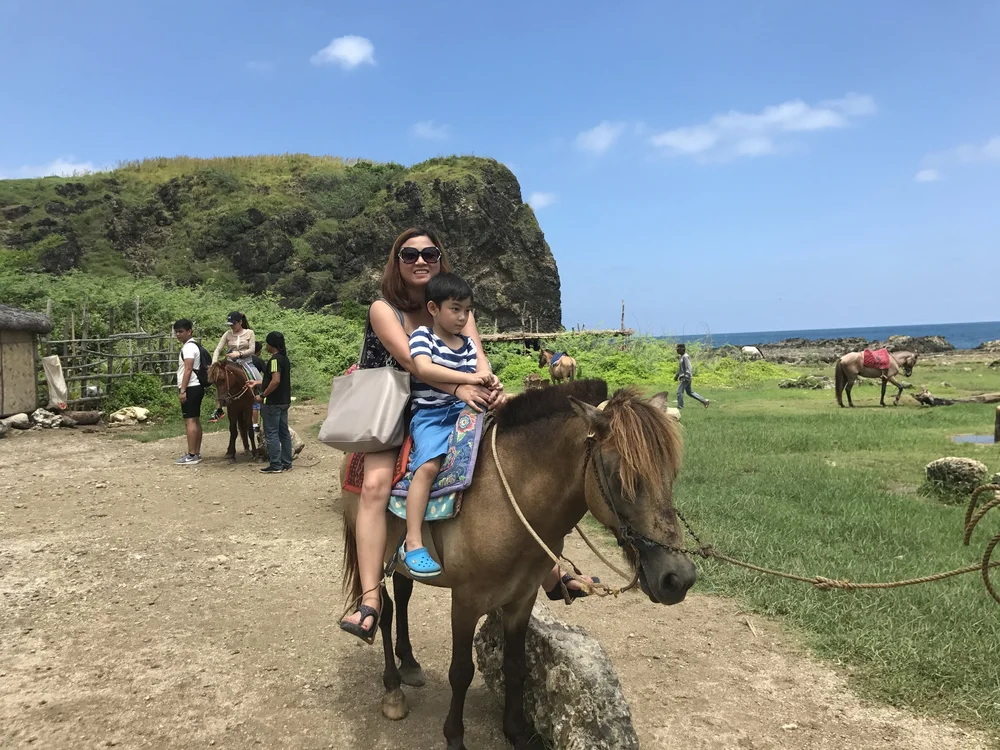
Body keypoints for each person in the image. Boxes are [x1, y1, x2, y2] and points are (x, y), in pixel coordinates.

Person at [339, 227, 595, 641]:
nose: (420, 260)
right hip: (393, 404)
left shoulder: (458, 308)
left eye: (430, 253)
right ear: (397, 261)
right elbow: (413, 364)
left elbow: (478, 356)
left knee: (511, 465)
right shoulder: (384, 309)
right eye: (409, 254)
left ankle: (548, 568)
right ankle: (370, 596)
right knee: (375, 484)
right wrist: (462, 386)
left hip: (454, 402)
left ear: (441, 259)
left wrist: (492, 389)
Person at [399, 273, 497, 579]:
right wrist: (471, 379)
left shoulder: (467, 344)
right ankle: (413, 541)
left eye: (466, 310)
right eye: (455, 309)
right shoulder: (422, 337)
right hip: (431, 415)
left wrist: (491, 383)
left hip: (464, 411)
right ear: (433, 308)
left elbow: (478, 372)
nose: (462, 316)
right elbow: (423, 368)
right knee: (427, 467)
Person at [209, 312, 258, 423]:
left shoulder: (249, 333)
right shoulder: (227, 334)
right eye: (230, 325)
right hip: (231, 364)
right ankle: (218, 408)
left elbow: (252, 349)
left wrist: (239, 354)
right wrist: (214, 363)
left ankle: (262, 399)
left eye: (234, 324)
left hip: (246, 362)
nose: (232, 327)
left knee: (258, 378)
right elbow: (218, 349)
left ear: (240, 322)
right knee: (220, 381)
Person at [256, 332, 293, 474]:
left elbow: (275, 380)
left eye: (267, 343)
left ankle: (276, 464)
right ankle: (287, 462)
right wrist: (258, 382)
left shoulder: (274, 360)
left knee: (271, 433)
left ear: (271, 344)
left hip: (273, 402)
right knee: (284, 432)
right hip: (284, 401)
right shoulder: (285, 358)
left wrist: (263, 394)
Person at [173, 319, 204, 465]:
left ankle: (192, 455)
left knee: (190, 421)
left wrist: (183, 390)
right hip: (196, 386)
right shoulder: (193, 346)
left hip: (191, 386)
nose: (178, 335)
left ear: (189, 331)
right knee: (195, 420)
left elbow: (188, 369)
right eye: (176, 332)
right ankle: (196, 452)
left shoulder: (188, 348)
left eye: (181, 331)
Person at [674, 344, 710, 409]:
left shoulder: (685, 357)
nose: (677, 350)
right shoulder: (682, 357)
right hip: (684, 377)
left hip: (685, 378)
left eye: (678, 349)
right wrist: (677, 375)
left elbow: (689, 367)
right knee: (690, 392)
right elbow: (680, 368)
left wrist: (686, 376)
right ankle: (704, 401)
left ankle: (680, 407)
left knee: (679, 392)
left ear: (682, 349)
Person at [250, 341, 266, 435]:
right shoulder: (259, 361)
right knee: (256, 404)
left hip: (245, 383)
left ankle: (251, 423)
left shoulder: (244, 359)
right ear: (259, 351)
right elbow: (266, 372)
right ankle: (256, 424)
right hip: (256, 383)